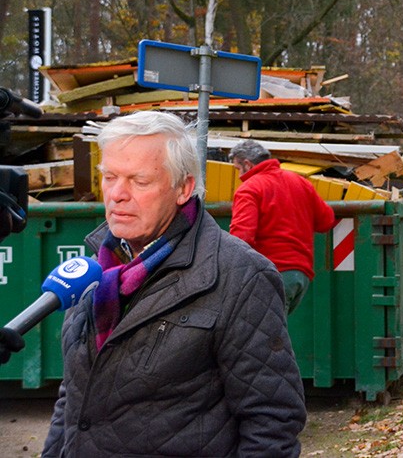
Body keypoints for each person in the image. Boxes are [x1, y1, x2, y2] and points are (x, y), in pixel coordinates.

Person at [42, 111, 306, 457]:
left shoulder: (239, 276)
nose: (117, 194)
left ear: (183, 187)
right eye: (109, 177)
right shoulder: (93, 274)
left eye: (139, 181)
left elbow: (273, 422)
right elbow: (74, 395)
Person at [229, 140, 335, 315]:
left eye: (238, 168)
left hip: (271, 273)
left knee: (263, 338)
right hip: (300, 276)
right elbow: (326, 221)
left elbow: (242, 237)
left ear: (247, 164)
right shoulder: (300, 182)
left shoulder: (249, 189)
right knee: (273, 333)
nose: (239, 174)